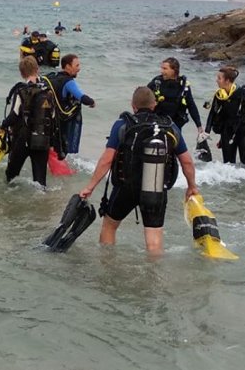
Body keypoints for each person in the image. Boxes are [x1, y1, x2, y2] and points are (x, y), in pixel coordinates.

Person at [78, 87, 199, 254]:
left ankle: (106, 269)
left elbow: (107, 159)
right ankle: (154, 277)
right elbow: (186, 161)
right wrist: (192, 186)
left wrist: (90, 187)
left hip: (126, 188)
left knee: (109, 226)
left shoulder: (123, 124)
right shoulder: (170, 126)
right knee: (154, 239)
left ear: (133, 105)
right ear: (154, 105)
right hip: (155, 188)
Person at [0, 56, 54, 187]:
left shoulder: (21, 91)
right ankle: (41, 205)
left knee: (11, 176)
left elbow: (14, 115)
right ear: (37, 68)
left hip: (23, 139)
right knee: (40, 182)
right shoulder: (48, 91)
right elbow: (52, 117)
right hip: (42, 139)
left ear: (22, 73)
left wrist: (2, 125)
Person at [204, 66, 245, 165]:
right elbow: (213, 113)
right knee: (228, 165)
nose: (217, 81)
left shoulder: (243, 93)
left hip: (244, 131)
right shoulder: (219, 95)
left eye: (219, 78)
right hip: (227, 132)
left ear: (227, 80)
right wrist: (206, 132)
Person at [42, 54, 95, 158]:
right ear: (67, 66)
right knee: (61, 150)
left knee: (52, 147)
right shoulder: (68, 81)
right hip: (61, 123)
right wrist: (92, 102)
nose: (79, 68)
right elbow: (82, 97)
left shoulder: (52, 77)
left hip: (49, 121)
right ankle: (60, 168)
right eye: (77, 65)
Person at [146, 57, 204, 137]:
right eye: (161, 68)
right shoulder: (156, 82)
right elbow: (143, 98)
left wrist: (199, 126)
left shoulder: (183, 87)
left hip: (175, 125)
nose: (161, 71)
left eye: (165, 68)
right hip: (156, 123)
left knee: (178, 148)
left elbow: (191, 106)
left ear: (174, 70)